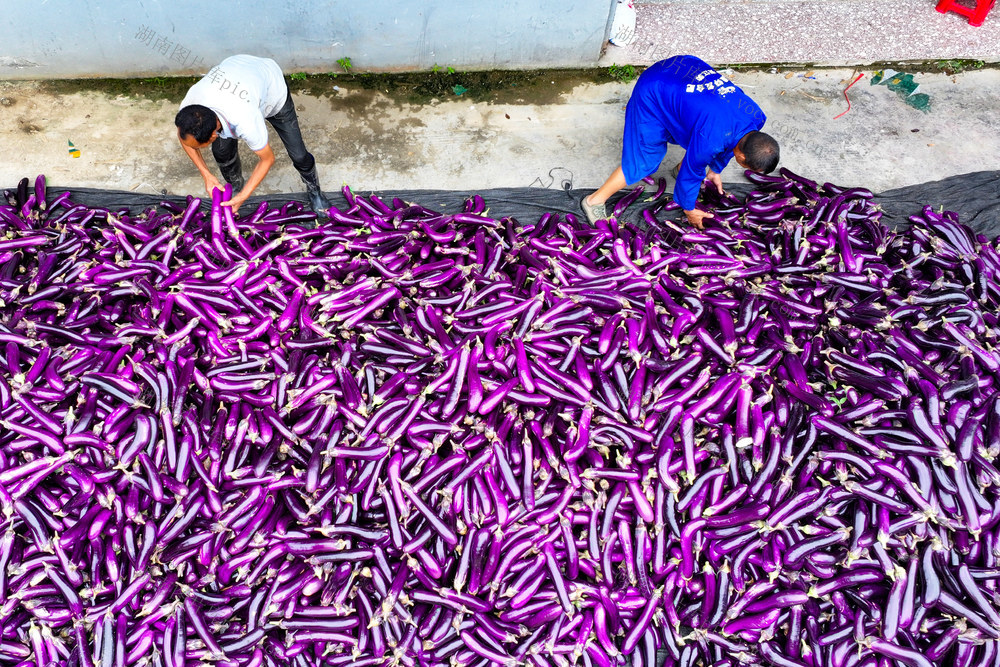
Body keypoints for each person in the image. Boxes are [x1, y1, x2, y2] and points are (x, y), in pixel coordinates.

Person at [582, 55, 779, 229]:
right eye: (748, 166)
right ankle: (594, 201)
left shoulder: (756, 116)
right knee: (645, 160)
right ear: (742, 156)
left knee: (697, 137)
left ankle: (677, 167)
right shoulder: (713, 139)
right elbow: (692, 173)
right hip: (654, 89)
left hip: (683, 67)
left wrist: (715, 170)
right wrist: (689, 209)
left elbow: (732, 141)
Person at [175, 54, 331, 215]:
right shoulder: (191, 106)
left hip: (271, 90)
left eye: (199, 147)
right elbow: (184, 137)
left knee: (298, 155)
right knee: (221, 152)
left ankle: (315, 191)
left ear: (214, 135)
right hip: (237, 71)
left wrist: (244, 196)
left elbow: (267, 159)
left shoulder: (245, 120)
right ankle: (235, 185)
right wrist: (206, 174)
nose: (194, 147)